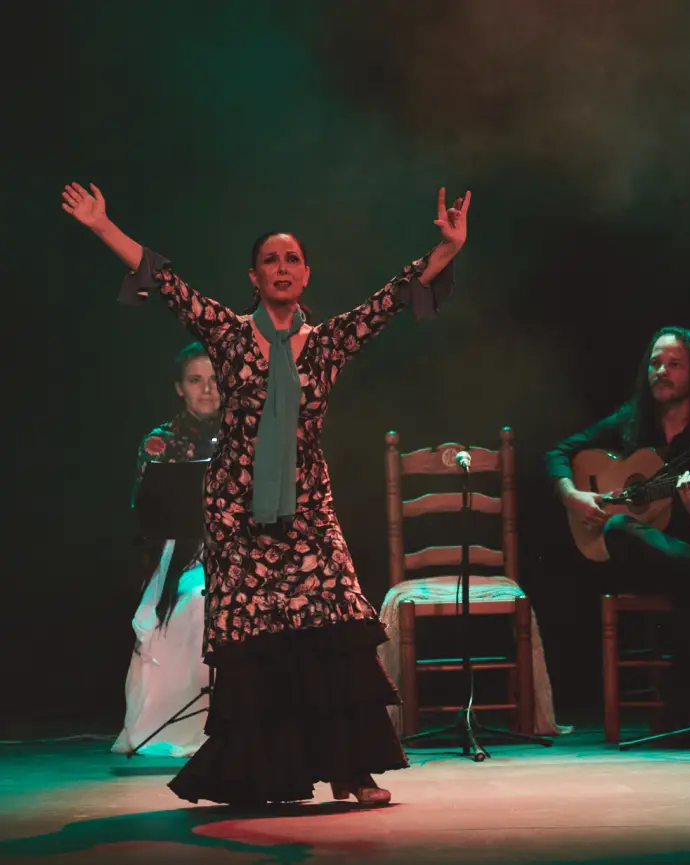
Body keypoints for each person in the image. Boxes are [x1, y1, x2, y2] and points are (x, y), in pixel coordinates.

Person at [63, 180, 469, 806]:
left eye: (292, 260)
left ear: (307, 275)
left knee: (332, 627)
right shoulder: (227, 334)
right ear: (253, 277)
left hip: (307, 506)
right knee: (259, 643)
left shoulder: (327, 343)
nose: (282, 268)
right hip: (238, 511)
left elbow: (390, 300)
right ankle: (265, 774)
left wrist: (443, 251)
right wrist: (101, 226)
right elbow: (166, 285)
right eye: (270, 260)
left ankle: (350, 770)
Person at [544, 326, 690, 732]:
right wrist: (572, 495)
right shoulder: (632, 420)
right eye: (655, 363)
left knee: (688, 582)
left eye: (674, 364)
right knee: (618, 529)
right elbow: (559, 452)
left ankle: (680, 712)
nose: (661, 371)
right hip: (645, 558)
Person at [112, 342, 220, 757]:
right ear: (180, 388)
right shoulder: (161, 442)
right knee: (196, 601)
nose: (207, 390)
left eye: (214, 380)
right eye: (196, 380)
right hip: (185, 556)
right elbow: (150, 518)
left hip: (246, 555)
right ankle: (186, 724)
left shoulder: (246, 433)